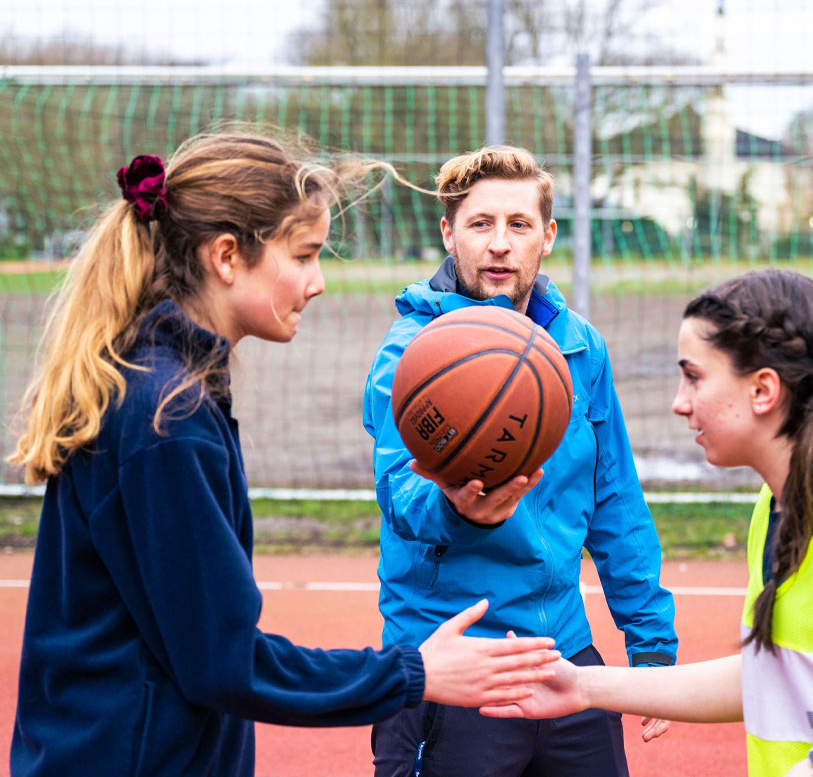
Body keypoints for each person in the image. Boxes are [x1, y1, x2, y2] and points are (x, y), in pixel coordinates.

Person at [6, 131, 561, 777]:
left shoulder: (158, 384)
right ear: (226, 257)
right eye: (303, 255)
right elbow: (226, 661)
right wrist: (415, 672)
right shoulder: (165, 417)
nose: (317, 281)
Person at [481, 269, 813, 777]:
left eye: (694, 376)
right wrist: (583, 687)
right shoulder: (776, 508)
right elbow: (773, 678)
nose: (679, 403)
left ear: (763, 390)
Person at [363, 145, 678, 777]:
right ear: (449, 233)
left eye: (519, 224)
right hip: (454, 657)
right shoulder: (412, 359)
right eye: (481, 224)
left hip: (561, 653)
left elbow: (614, 496)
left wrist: (650, 643)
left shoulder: (579, 348)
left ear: (548, 236)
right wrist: (459, 510)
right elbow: (401, 496)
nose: (499, 244)